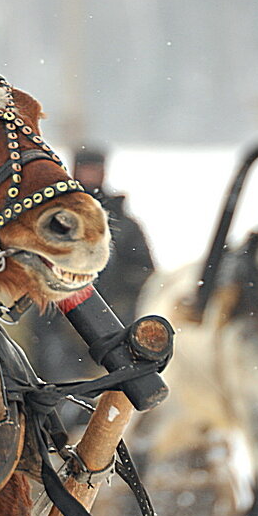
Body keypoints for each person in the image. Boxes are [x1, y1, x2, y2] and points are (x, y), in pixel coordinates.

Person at [18, 146, 155, 406]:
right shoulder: (53, 218)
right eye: (85, 169)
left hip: (111, 317)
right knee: (49, 364)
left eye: (95, 170)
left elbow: (144, 273)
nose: (90, 175)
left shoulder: (123, 225)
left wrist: (117, 291)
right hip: (57, 315)